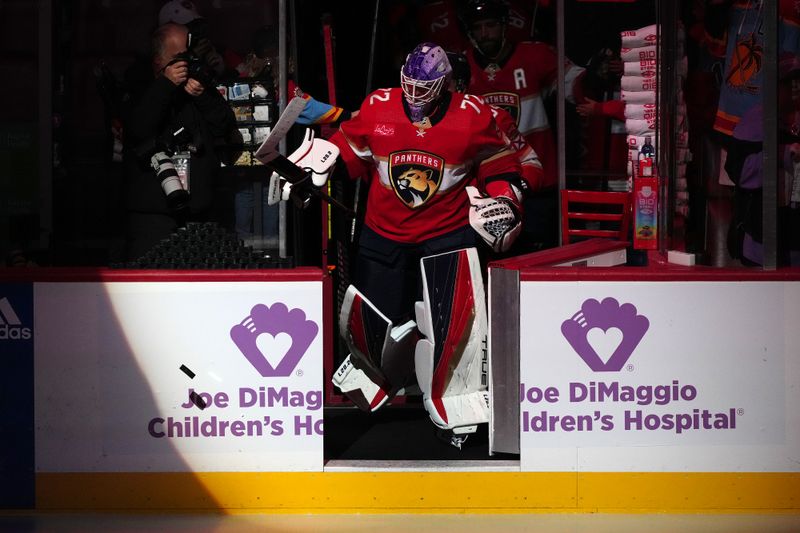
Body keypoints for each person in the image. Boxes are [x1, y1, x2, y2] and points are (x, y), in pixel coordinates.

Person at [317, 42, 524, 446]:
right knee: (370, 317)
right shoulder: (377, 106)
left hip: (446, 231)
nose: (414, 94)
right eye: (408, 84)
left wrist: (504, 197)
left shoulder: (472, 115)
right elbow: (350, 148)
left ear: (445, 84)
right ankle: (372, 380)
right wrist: (320, 162)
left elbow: (500, 161)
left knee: (454, 322)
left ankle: (457, 398)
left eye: (424, 86)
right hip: (383, 230)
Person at [459, 0, 588, 250]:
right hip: (487, 186)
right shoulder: (461, 68)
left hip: (538, 181)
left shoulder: (534, 55)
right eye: (478, 28)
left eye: (491, 25)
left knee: (536, 256)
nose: (485, 33)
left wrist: (595, 75)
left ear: (505, 25)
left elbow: (575, 83)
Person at [122, 22, 237, 261]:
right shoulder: (139, 86)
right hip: (153, 216)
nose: (185, 63)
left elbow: (224, 126)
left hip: (198, 212)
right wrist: (165, 85)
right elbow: (138, 129)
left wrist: (202, 94)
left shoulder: (196, 83)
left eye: (188, 56)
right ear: (158, 61)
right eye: (178, 58)